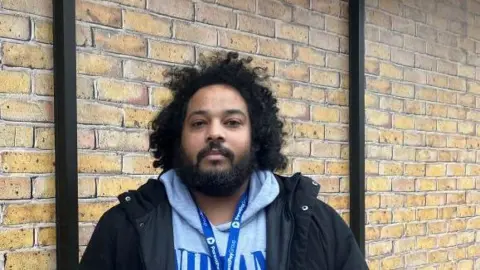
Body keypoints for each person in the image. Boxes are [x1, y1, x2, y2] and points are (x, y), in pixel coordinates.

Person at [79, 51, 368, 270]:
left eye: (231, 122)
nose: (214, 133)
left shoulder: (315, 223)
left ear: (256, 136)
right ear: (177, 137)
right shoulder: (125, 227)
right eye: (198, 123)